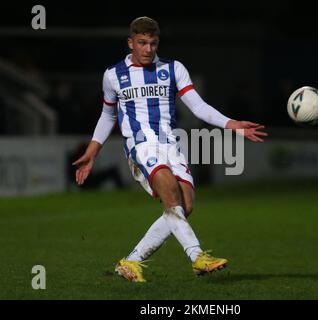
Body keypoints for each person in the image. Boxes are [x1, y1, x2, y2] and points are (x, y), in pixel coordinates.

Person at [73, 17, 268, 282]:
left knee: (184, 205)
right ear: (130, 42)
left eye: (153, 43)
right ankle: (197, 256)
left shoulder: (173, 69)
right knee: (169, 192)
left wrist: (231, 124)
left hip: (171, 144)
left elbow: (198, 106)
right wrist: (93, 150)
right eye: (142, 43)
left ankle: (131, 262)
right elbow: (108, 116)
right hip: (141, 146)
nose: (148, 49)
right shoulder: (113, 75)